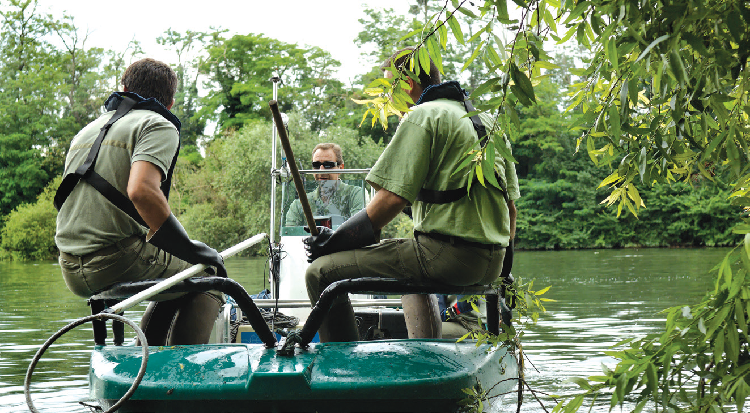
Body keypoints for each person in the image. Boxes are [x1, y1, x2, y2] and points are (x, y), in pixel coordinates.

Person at [304, 47, 519, 342]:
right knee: (407, 254)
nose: (389, 99)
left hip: (447, 258)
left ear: (406, 84)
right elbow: (511, 210)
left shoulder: (422, 115)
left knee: (319, 272)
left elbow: (390, 200)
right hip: (493, 262)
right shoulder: (487, 121)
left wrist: (333, 243)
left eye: (389, 88)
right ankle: (427, 348)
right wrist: (503, 272)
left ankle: (342, 369)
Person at [54, 58, 226, 346]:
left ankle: (147, 355)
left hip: (69, 264)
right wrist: (189, 249)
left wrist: (181, 250)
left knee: (179, 273)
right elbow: (142, 191)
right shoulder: (157, 124)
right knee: (210, 274)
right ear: (170, 103)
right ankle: (180, 373)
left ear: (123, 88)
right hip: (113, 260)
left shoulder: (88, 130)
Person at [285, 143, 365, 227]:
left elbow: (358, 229)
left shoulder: (355, 194)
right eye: (316, 165)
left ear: (340, 168)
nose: (321, 171)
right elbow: (290, 235)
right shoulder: (299, 204)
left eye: (328, 165)